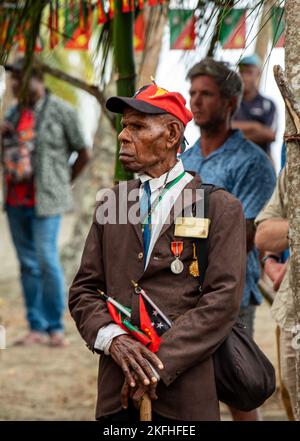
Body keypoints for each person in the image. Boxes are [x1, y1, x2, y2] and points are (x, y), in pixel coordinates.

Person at [69, 83, 246, 421]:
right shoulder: (112, 203)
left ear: (171, 134)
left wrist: (154, 366)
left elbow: (221, 303)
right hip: (116, 394)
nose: (124, 135)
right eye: (124, 126)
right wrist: (114, 340)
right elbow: (84, 291)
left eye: (137, 126)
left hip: (184, 397)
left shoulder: (220, 207)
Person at [180, 58, 276, 421]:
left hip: (230, 288)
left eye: (207, 94)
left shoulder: (253, 163)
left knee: (237, 386)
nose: (196, 101)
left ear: (230, 103)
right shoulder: (183, 160)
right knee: (190, 390)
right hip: (182, 286)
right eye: (193, 93)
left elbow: (247, 234)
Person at [0, 57, 89, 347]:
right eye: (12, 79)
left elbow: (83, 152)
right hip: (15, 201)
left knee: (46, 260)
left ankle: (55, 327)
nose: (14, 84)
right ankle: (35, 327)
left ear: (38, 80)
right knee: (27, 265)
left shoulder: (63, 111)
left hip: (47, 202)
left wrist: (64, 182)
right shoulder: (12, 114)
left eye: (20, 78)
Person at [255, 167, 298, 421]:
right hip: (293, 310)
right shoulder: (293, 166)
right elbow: (264, 234)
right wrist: (272, 258)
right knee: (290, 394)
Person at [232, 54, 277, 155]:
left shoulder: (268, 104)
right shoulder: (230, 103)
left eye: (249, 72)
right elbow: (222, 130)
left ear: (258, 73)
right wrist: (255, 126)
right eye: (241, 72)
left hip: (261, 164)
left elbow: (271, 135)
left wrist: (236, 135)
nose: (244, 76)